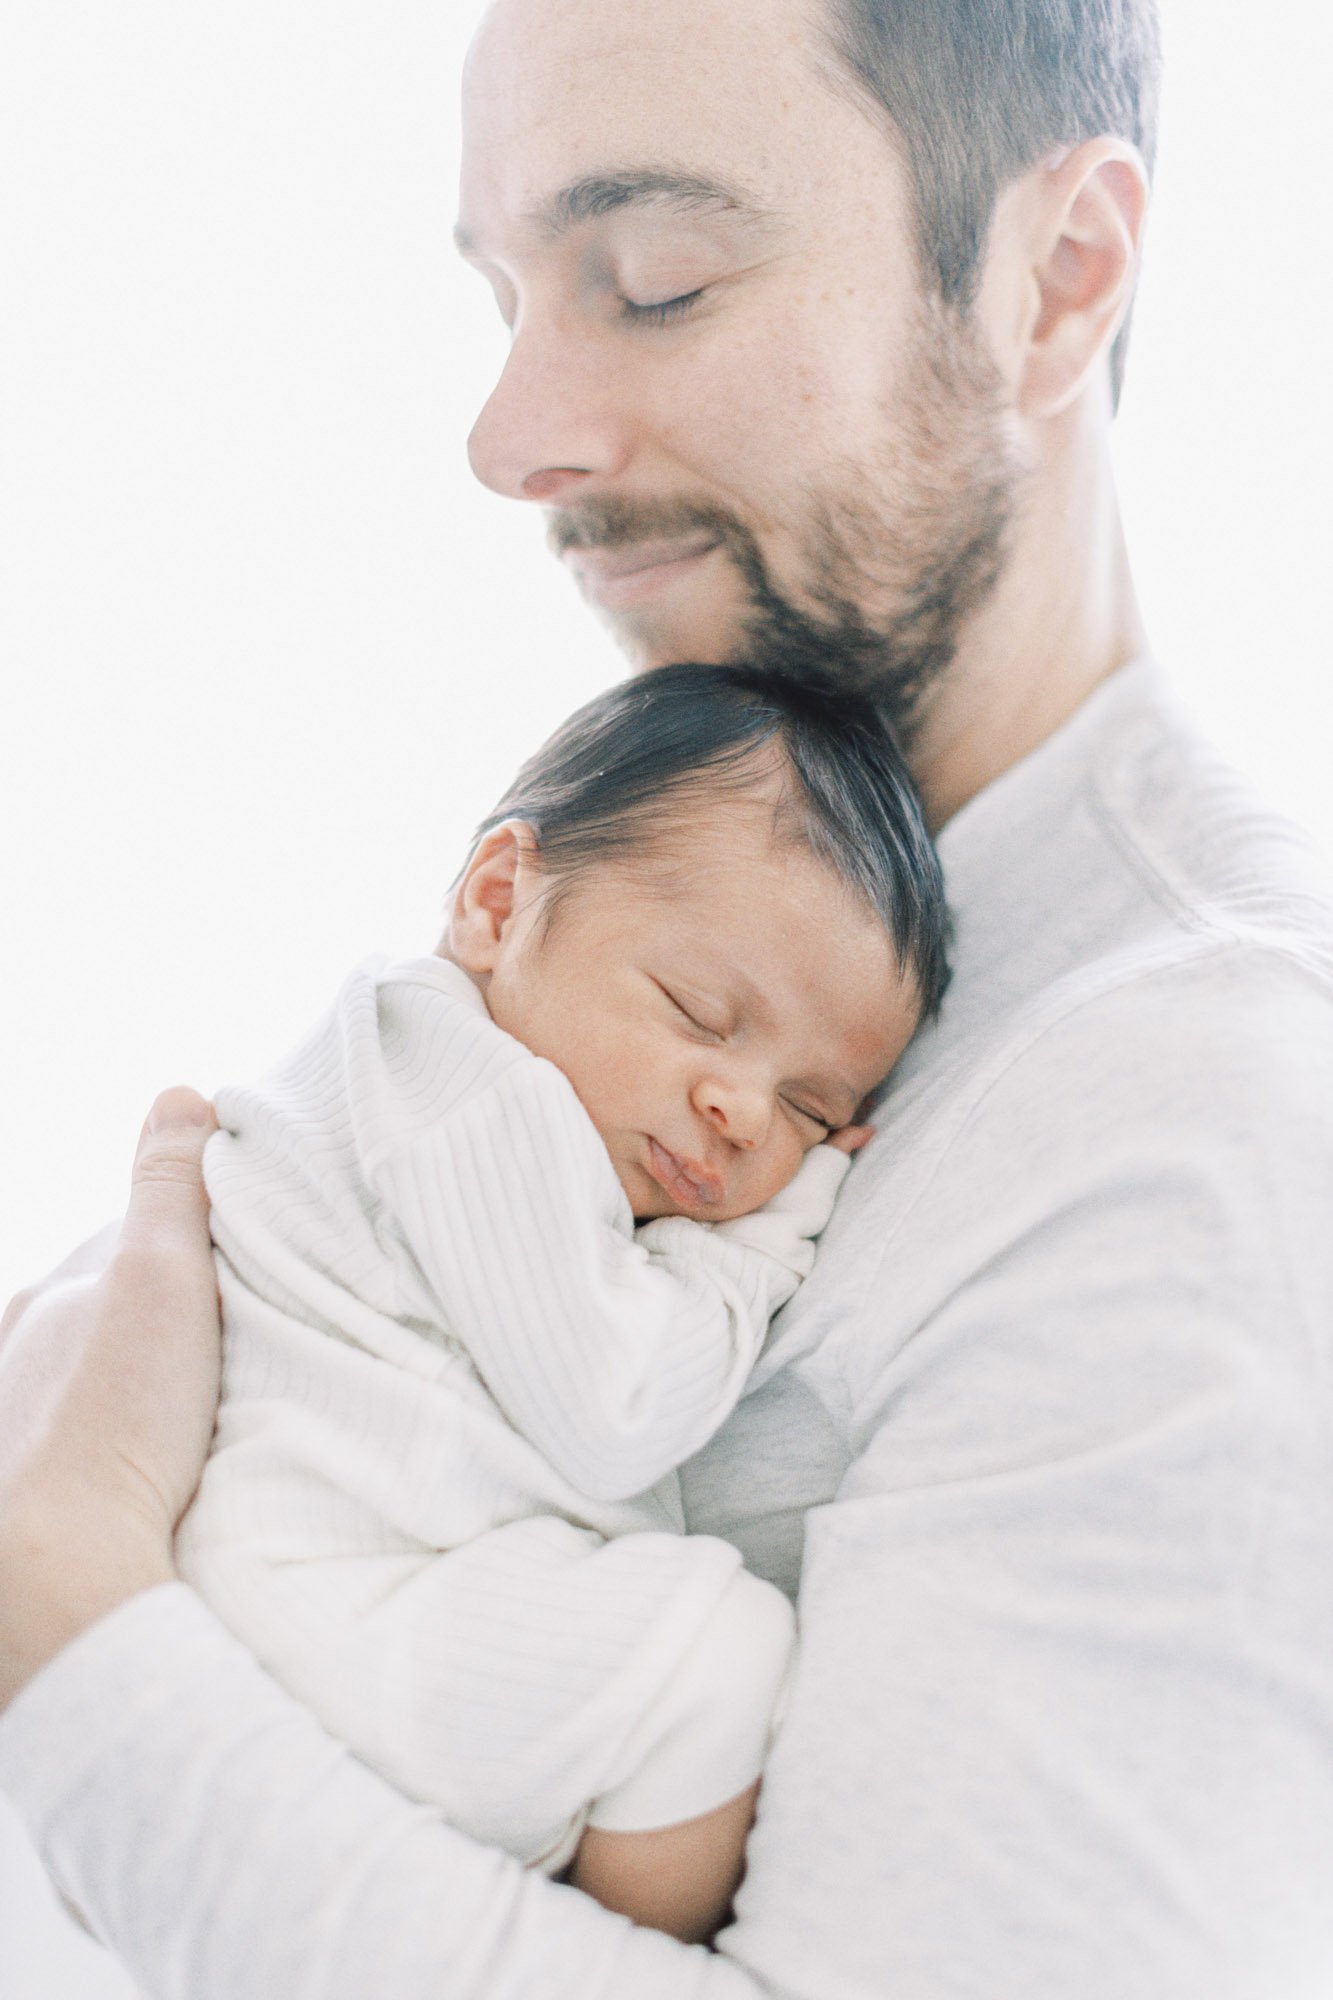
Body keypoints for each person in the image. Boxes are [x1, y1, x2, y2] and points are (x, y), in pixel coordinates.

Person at [2, 0, 1333, 1994]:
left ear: (1055, 283)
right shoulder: (688, 857)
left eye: (655, 280)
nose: (508, 436)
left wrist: (65, 1628)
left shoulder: (1204, 1119)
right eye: (514, 291)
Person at [174, 663, 944, 1943]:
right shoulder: (461, 1082)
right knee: (716, 1652)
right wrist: (760, 1241)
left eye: (814, 1109)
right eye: (700, 1012)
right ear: (497, 901)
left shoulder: (451, 1087)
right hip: (322, 1614)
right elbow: (620, 1407)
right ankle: (613, 1955)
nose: (747, 1113)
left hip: (336, 1611)